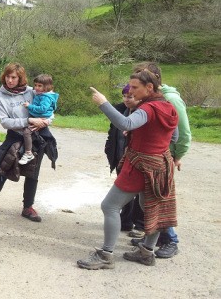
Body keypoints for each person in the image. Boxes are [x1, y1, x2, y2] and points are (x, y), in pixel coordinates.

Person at [77, 70, 178, 270]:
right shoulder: (168, 107)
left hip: (141, 164)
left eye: (134, 87)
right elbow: (173, 138)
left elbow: (125, 123)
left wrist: (103, 103)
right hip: (160, 164)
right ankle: (146, 252)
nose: (130, 91)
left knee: (109, 206)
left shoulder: (148, 108)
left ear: (149, 87)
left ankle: (106, 255)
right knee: (151, 207)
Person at [0, 63, 53, 225]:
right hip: (15, 138)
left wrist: (46, 122)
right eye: (8, 77)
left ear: (20, 79)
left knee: (33, 174)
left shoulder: (33, 91)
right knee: (1, 172)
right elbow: (5, 122)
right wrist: (29, 120)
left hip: (36, 136)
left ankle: (28, 207)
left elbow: (49, 109)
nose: (10, 80)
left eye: (14, 77)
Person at [130, 62, 192, 259]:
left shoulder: (170, 99)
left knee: (160, 200)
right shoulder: (148, 99)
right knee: (147, 200)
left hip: (162, 158)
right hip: (150, 157)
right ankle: (152, 239)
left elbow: (182, 132)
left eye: (140, 76)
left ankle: (171, 240)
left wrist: (177, 156)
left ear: (153, 79)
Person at [104, 84, 143, 233]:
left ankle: (140, 225)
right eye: (125, 96)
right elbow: (112, 132)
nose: (127, 99)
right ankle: (125, 221)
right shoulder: (120, 110)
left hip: (134, 160)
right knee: (123, 191)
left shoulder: (142, 114)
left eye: (130, 96)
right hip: (119, 157)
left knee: (138, 194)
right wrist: (109, 148)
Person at [18, 74, 58, 165]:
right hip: (39, 117)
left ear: (47, 86)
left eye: (40, 86)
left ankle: (28, 153)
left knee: (27, 132)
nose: (36, 87)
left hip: (40, 117)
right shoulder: (41, 94)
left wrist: (29, 106)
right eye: (35, 85)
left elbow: (42, 108)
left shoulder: (46, 97)